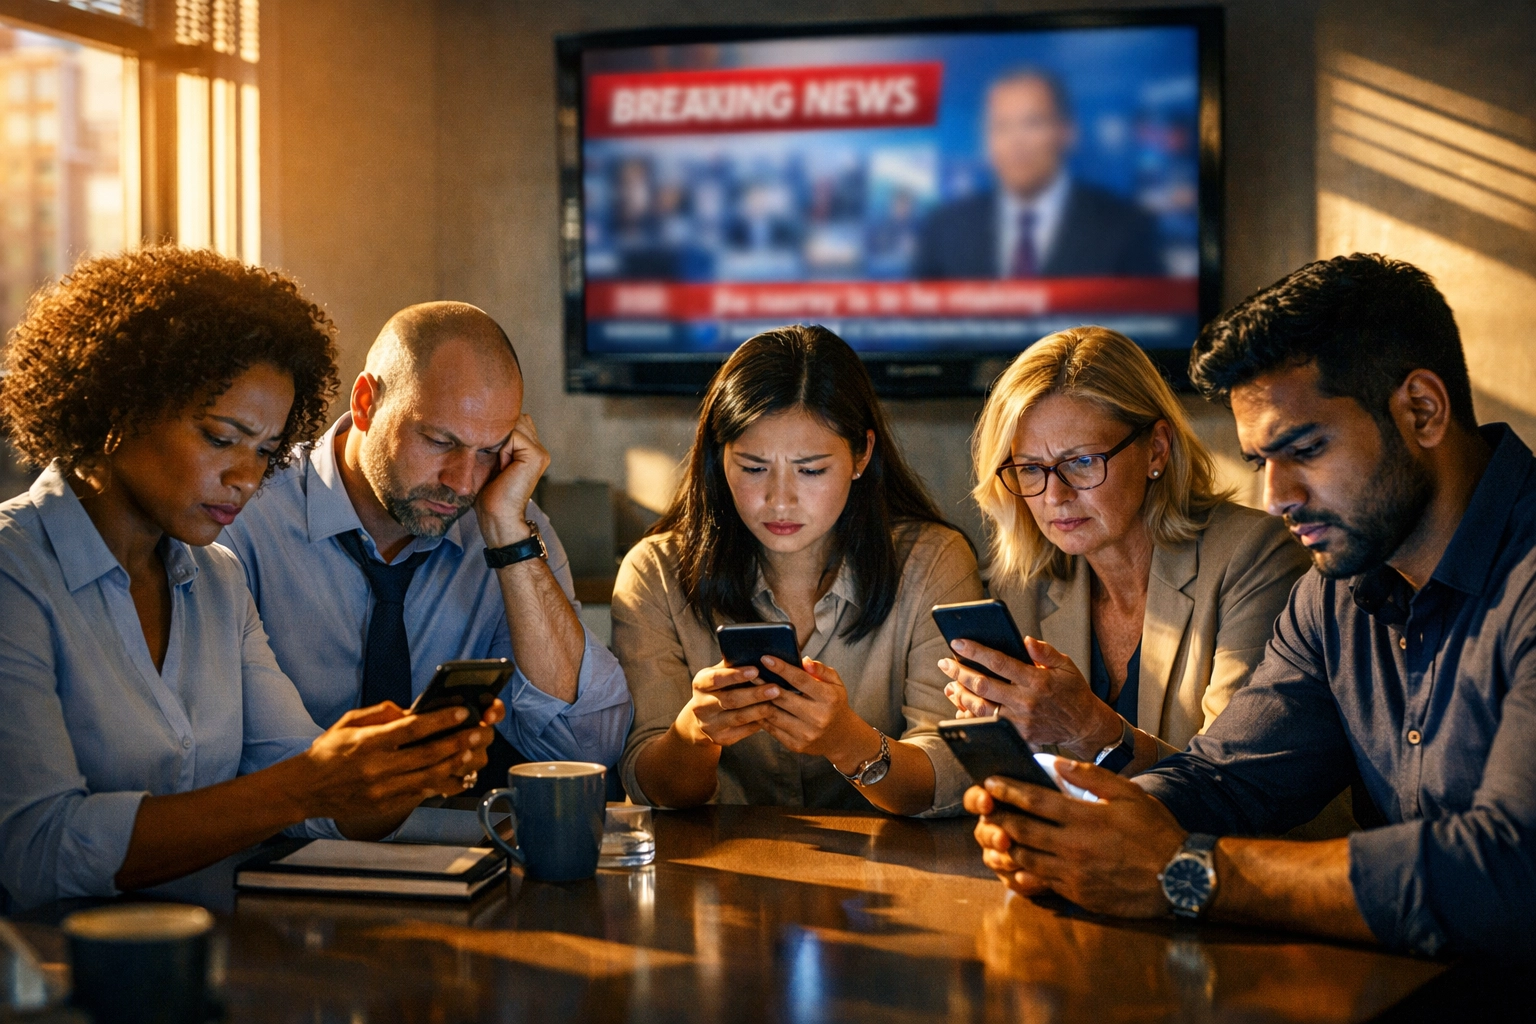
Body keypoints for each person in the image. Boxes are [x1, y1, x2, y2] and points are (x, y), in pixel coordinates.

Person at [966, 253, 1536, 958]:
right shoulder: (1332, 593)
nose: (1276, 498)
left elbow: (1511, 871)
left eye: (1304, 448)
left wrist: (1186, 874)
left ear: (1422, 409)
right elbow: (1227, 780)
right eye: (1262, 461)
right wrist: (1075, 824)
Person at [0, 249, 501, 909]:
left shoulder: (215, 580)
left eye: (266, 451)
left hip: (216, 963)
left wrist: (397, 771)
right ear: (116, 404)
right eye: (220, 437)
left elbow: (300, 796)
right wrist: (309, 783)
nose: (247, 477)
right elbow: (33, 850)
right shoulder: (17, 571)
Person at [219, 302, 631, 795]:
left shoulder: (506, 523)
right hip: (277, 843)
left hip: (454, 843)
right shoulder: (245, 513)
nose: (461, 483)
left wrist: (508, 537)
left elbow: (586, 751)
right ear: (366, 403)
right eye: (439, 441)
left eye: (488, 452)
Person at [612, 324, 985, 814]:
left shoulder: (932, 561)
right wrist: (695, 734)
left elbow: (953, 778)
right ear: (718, 457)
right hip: (717, 880)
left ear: (861, 455)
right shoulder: (656, 572)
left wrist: (848, 742)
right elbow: (649, 784)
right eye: (751, 467)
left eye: (810, 470)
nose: (779, 499)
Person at [942, 327, 1309, 775]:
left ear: (1156, 449)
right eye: (1030, 469)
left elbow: (1235, 783)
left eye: (1081, 462)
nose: (1053, 496)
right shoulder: (1026, 582)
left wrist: (1093, 730)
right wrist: (1001, 749)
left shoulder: (1254, 555)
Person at [913, 69, 1163, 280]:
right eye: (1001, 127)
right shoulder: (944, 229)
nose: (1016, 141)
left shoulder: (1127, 227)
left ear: (1067, 132)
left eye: (1032, 123)